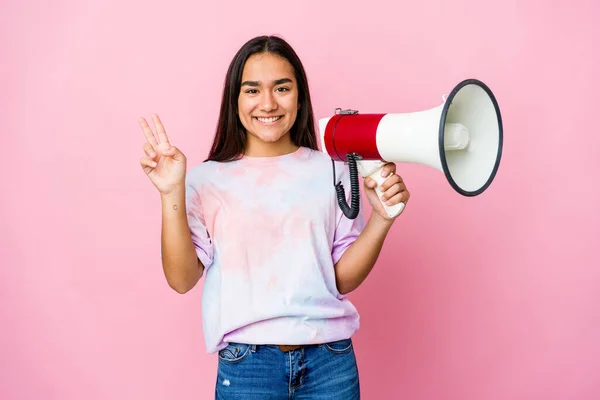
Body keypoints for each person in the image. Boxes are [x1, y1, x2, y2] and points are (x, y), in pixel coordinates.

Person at [138, 35, 410, 399]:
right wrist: (171, 192)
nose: (268, 103)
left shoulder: (334, 169)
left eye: (282, 88)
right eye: (252, 90)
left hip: (330, 362)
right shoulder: (205, 179)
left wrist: (381, 219)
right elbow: (182, 279)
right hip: (248, 366)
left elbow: (341, 280)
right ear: (235, 100)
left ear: (300, 96)